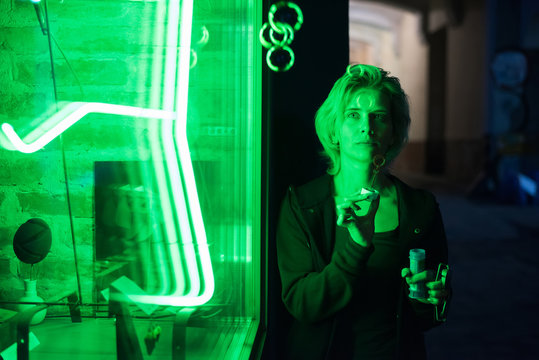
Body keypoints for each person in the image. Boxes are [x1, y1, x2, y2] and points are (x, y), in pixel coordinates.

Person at [276, 64, 450, 360]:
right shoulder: (304, 205)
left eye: (379, 117)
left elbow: (426, 318)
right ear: (334, 128)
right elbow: (303, 304)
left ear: (393, 132)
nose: (366, 127)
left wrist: (433, 298)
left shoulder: (420, 209)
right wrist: (357, 246)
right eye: (353, 115)